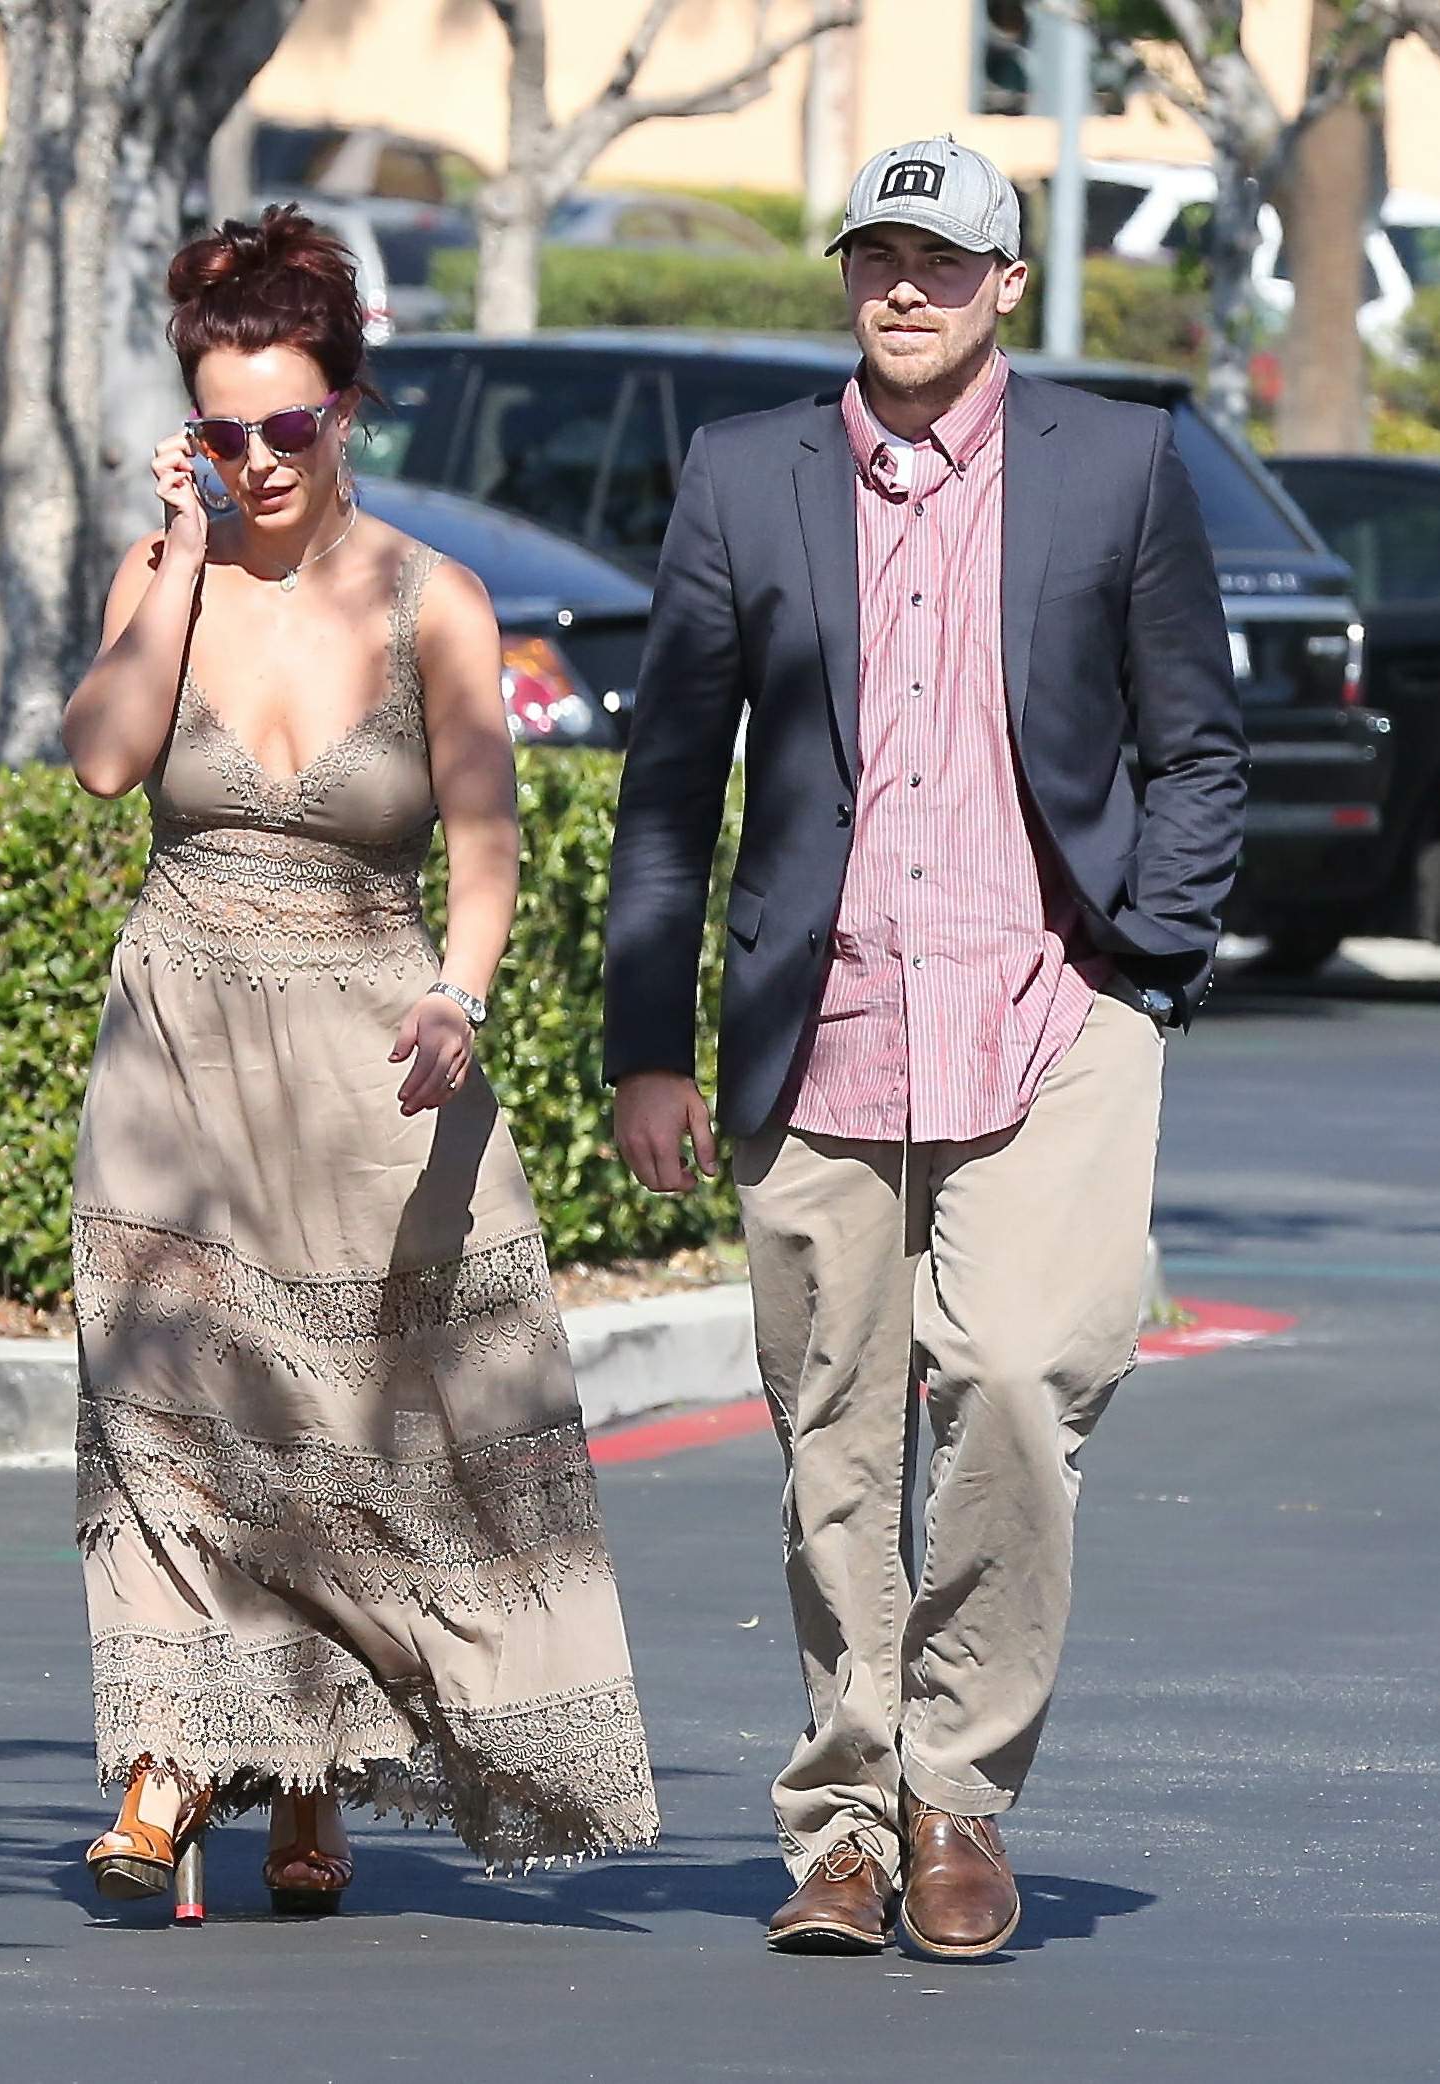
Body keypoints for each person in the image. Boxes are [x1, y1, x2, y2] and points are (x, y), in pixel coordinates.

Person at [604, 137, 1246, 1959]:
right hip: (820, 1027)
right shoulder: (746, 477)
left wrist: (1144, 968)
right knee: (831, 1442)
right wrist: (649, 1043)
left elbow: (1196, 748)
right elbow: (669, 785)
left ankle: (955, 1793)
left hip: (1050, 1016)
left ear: (1005, 285)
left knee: (1021, 1379)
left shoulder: (1115, 463)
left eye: (943, 260)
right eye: (877, 254)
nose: (905, 286)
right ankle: (841, 1826)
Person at [64, 205, 657, 1922]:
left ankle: (309, 1777)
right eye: (221, 432)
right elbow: (103, 762)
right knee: (171, 1406)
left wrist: (460, 994)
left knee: (350, 1423)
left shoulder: (431, 600)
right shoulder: (163, 573)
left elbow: (485, 846)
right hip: (177, 1036)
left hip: (372, 1053)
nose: (255, 460)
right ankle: (167, 1768)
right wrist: (177, 559)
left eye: (286, 426)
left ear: (345, 412)